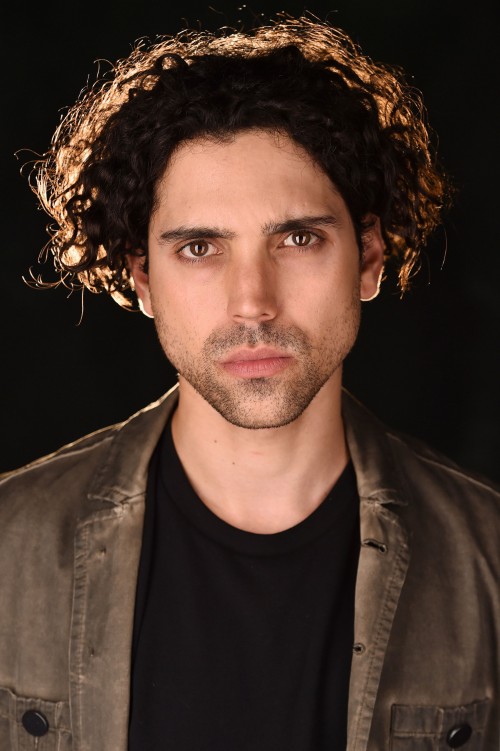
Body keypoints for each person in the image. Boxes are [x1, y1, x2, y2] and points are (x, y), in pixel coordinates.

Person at [1, 13, 498, 751]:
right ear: (143, 278)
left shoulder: (488, 557)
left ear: (368, 258)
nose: (252, 302)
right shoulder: (9, 548)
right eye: (200, 248)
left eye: (297, 238)